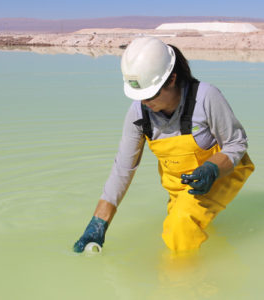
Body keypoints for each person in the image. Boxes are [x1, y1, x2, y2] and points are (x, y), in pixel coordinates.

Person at [73, 37, 254, 253]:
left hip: (220, 174)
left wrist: (212, 169)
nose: (146, 103)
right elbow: (123, 168)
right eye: (140, 97)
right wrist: (99, 223)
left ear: (171, 80)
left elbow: (236, 142)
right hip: (178, 186)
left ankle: (180, 283)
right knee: (180, 227)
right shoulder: (138, 113)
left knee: (179, 226)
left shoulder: (205, 97)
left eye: (151, 95)